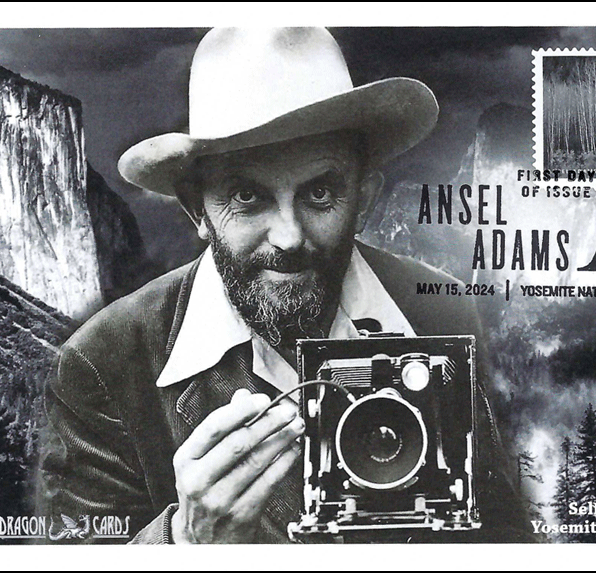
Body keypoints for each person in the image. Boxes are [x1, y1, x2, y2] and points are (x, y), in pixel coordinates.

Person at [39, 27, 531, 544]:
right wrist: (184, 541)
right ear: (196, 210)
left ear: (363, 199)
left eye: (319, 193)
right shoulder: (100, 366)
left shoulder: (441, 313)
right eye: (247, 197)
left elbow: (500, 532)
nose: (289, 237)